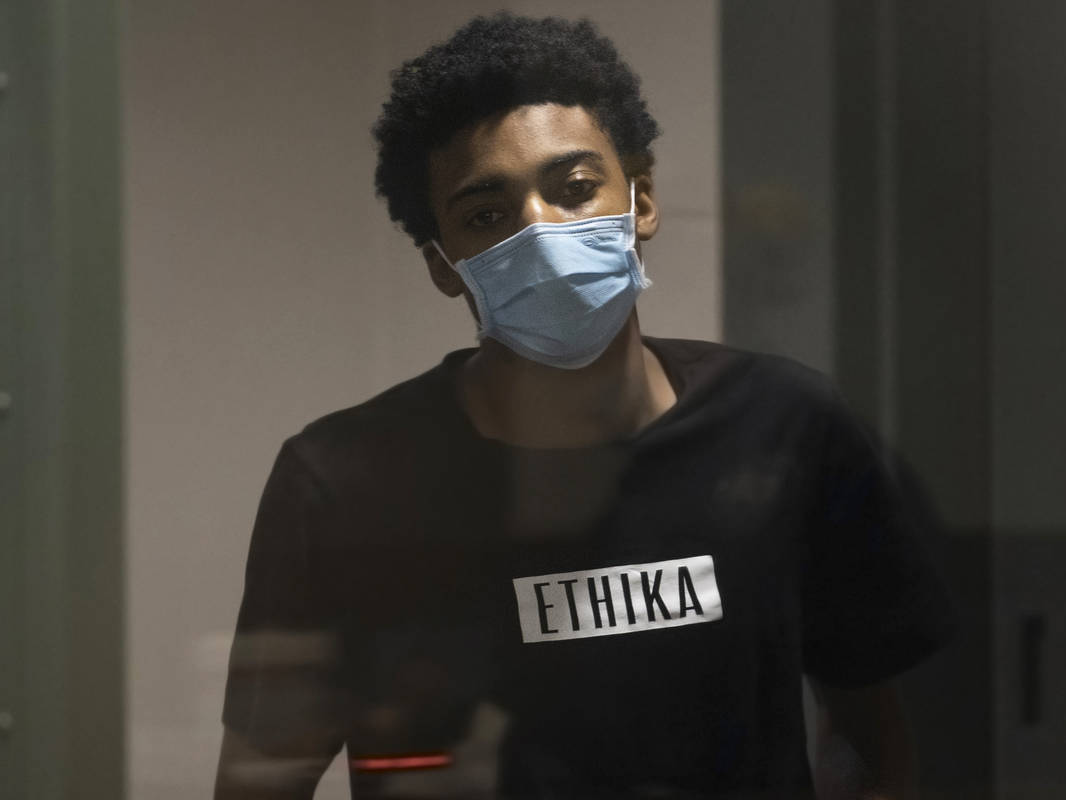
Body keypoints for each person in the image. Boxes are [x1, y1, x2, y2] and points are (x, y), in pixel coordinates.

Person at [215, 13, 954, 800]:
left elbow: (872, 738)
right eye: (486, 215)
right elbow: (265, 779)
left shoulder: (784, 427)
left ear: (641, 200)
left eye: (573, 189)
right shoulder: (345, 482)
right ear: (443, 267)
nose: (541, 232)